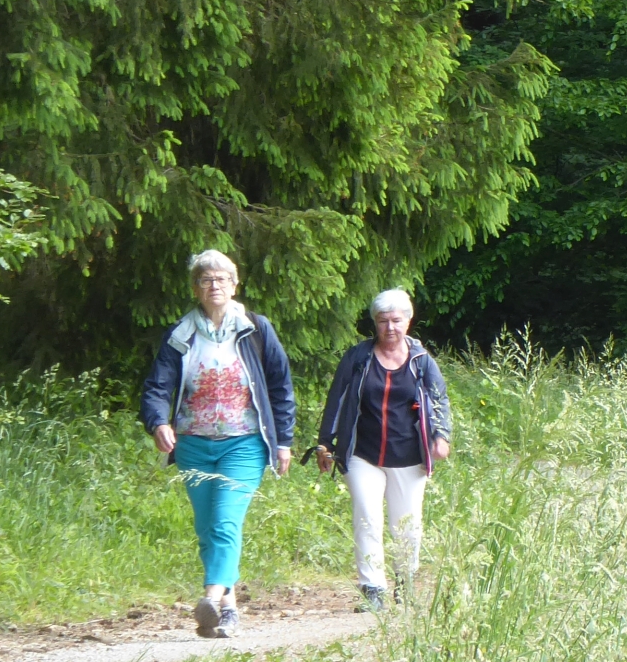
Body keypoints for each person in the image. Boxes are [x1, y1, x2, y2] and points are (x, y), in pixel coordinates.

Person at [139, 250, 296, 638]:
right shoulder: (181, 334)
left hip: (244, 444)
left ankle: (209, 597)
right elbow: (158, 386)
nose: (214, 285)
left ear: (234, 284)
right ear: (195, 287)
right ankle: (228, 609)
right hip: (193, 443)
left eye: (222, 279)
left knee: (226, 521)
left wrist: (284, 442)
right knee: (209, 527)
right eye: (206, 279)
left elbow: (280, 386)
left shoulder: (255, 329)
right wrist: (158, 422)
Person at [315, 289, 452, 612]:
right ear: (374, 324)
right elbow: (336, 399)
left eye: (396, 320)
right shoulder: (358, 357)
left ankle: (405, 582)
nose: (390, 327)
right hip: (363, 453)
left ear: (408, 321)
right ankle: (373, 588)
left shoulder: (422, 361)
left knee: (407, 524)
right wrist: (326, 443)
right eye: (382, 321)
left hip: (409, 456)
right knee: (367, 517)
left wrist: (441, 436)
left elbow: (440, 400)